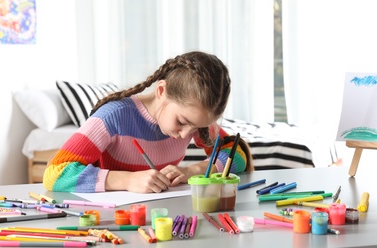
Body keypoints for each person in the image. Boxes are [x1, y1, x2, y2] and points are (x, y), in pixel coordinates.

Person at [43, 51, 254, 193]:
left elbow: (238, 154)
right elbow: (53, 175)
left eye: (197, 127)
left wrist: (193, 170)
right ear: (161, 91)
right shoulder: (113, 116)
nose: (186, 134)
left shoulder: (195, 121)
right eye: (181, 122)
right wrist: (127, 180)